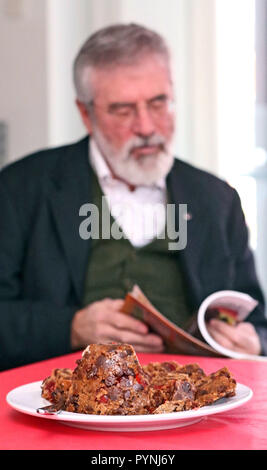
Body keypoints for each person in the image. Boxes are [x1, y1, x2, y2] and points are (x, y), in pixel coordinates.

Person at [0, 24, 266, 371]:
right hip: (64, 405)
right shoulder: (21, 187)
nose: (146, 127)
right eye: (123, 110)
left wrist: (252, 340)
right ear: (86, 114)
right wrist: (69, 327)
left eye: (158, 103)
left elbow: (257, 319)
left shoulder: (217, 198)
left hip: (192, 405)